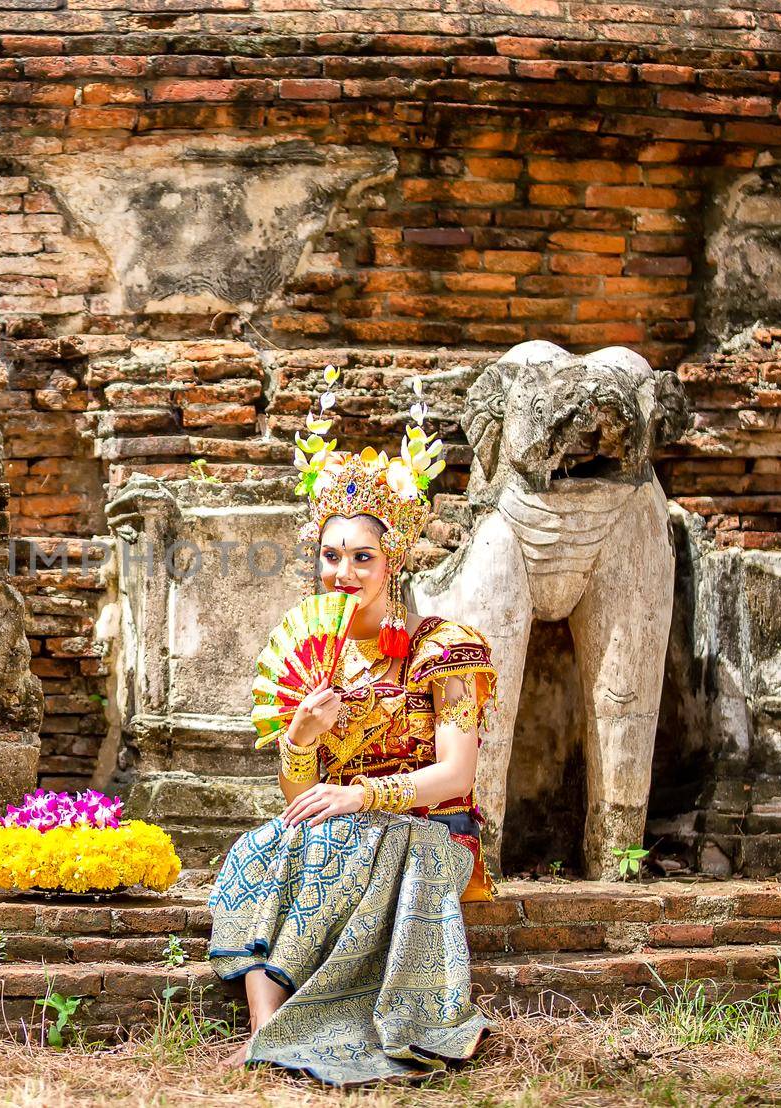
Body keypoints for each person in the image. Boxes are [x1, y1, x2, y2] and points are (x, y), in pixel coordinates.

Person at [209, 393, 497, 1085]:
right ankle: (265, 1028)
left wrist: (362, 795)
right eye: (332, 557)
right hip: (344, 825)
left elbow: (456, 775)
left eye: (362, 558)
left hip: (432, 832)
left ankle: (321, 1026)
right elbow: (302, 798)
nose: (344, 574)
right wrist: (301, 740)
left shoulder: (444, 647)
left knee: (341, 832)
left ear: (392, 560)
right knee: (261, 843)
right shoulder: (321, 661)